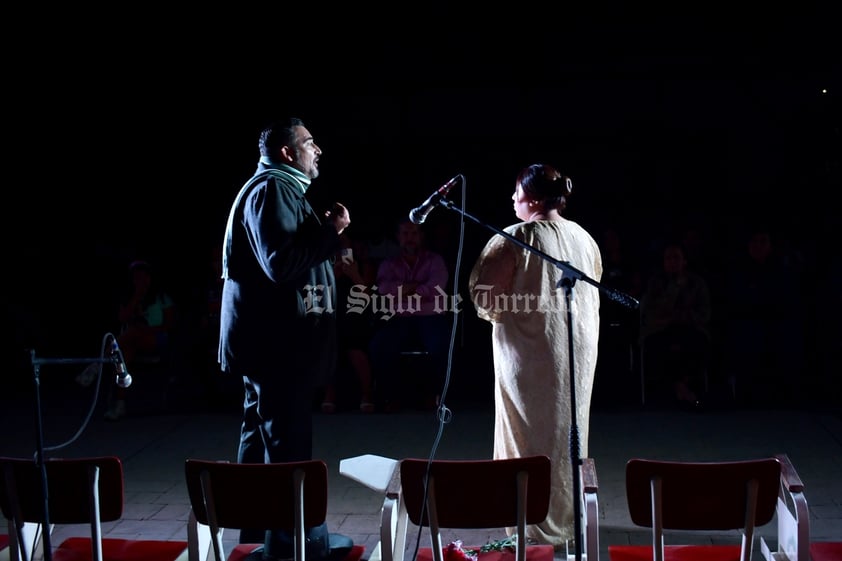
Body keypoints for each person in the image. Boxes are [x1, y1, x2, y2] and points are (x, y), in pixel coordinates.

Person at [218, 117, 353, 560]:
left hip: (271, 346)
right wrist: (330, 233)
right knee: (286, 442)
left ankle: (262, 540)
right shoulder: (271, 189)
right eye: (310, 142)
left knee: (261, 439)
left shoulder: (279, 188)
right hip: (277, 350)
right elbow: (280, 263)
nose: (318, 150)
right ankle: (294, 545)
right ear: (287, 152)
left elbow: (285, 260)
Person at [468, 163, 602, 550]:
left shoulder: (517, 237)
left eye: (516, 192)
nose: (512, 199)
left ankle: (531, 523)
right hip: (575, 349)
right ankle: (567, 519)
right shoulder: (582, 236)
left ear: (535, 198)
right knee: (566, 432)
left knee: (528, 433)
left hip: (530, 351)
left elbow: (484, 296)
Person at [368, 217, 451, 413]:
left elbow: (436, 287)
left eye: (414, 233)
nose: (409, 238)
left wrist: (404, 290)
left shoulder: (435, 260)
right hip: (400, 318)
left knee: (441, 345)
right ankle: (392, 397)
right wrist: (419, 288)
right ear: (398, 237)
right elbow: (383, 289)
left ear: (421, 236)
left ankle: (435, 395)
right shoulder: (389, 264)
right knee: (379, 346)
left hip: (431, 316)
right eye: (405, 234)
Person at [639, 242, 712, 409]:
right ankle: (673, 392)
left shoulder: (697, 283)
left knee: (698, 343)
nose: (672, 262)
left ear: (684, 261)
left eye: (676, 258)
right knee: (657, 346)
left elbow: (705, 313)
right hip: (660, 329)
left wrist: (685, 317)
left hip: (690, 328)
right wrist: (674, 290)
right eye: (668, 258)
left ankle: (683, 386)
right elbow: (649, 312)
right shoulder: (655, 283)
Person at [104, 259, 178, 421]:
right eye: (136, 277)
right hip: (133, 342)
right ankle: (120, 404)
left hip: (157, 339)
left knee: (133, 333)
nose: (140, 280)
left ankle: (98, 363)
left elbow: (169, 325)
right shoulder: (130, 298)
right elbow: (122, 318)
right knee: (123, 358)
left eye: (143, 277)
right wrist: (136, 298)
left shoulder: (161, 297)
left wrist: (145, 330)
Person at [320, 231, 376, 413]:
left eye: (344, 244)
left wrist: (354, 275)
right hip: (332, 318)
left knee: (354, 347)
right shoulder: (323, 266)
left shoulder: (364, 266)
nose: (341, 248)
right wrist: (333, 277)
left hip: (358, 317)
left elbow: (370, 298)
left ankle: (367, 394)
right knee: (329, 343)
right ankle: (329, 394)